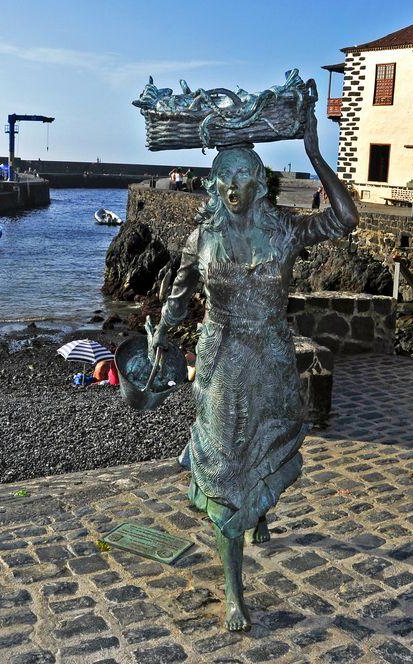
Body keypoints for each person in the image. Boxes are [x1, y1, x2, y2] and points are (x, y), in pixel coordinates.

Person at [148, 79, 358, 632]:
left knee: (267, 445)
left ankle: (257, 509)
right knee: (226, 468)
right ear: (215, 187)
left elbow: (344, 218)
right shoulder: (203, 238)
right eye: (226, 179)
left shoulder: (285, 232)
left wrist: (315, 152)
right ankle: (234, 590)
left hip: (268, 357)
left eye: (245, 176)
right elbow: (178, 295)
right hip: (220, 359)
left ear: (260, 184)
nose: (235, 187)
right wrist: (161, 336)